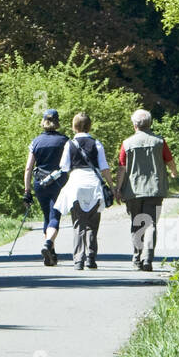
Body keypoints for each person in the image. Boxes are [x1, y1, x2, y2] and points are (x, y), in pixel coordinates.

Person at [115, 109, 178, 271]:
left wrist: (118, 188)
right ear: (150, 124)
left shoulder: (127, 143)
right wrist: (173, 172)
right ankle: (147, 258)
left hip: (133, 190)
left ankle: (137, 257)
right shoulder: (159, 142)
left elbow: (122, 168)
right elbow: (169, 160)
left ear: (134, 125)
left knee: (137, 223)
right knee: (150, 224)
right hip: (154, 189)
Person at [53, 112, 113, 270]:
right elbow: (104, 167)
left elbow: (64, 167)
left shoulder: (70, 144)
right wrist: (113, 187)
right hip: (94, 185)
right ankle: (91, 258)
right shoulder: (96, 143)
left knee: (78, 224)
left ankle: (78, 260)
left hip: (76, 185)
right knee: (92, 224)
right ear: (90, 126)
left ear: (74, 126)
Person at [23, 109, 68, 265]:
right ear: (57, 122)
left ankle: (51, 254)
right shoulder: (64, 141)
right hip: (58, 183)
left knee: (46, 216)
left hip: (40, 183)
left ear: (43, 121)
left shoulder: (36, 142)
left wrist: (27, 190)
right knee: (55, 216)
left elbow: (28, 168)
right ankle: (48, 243)